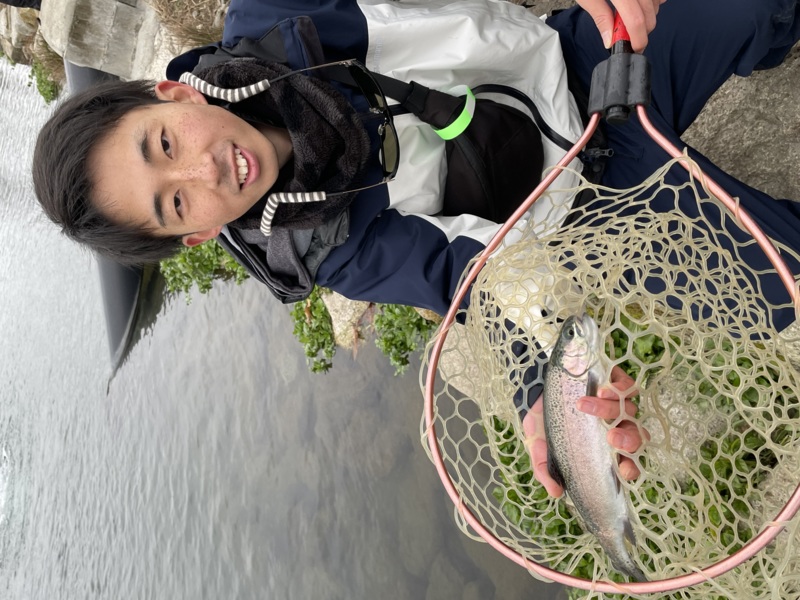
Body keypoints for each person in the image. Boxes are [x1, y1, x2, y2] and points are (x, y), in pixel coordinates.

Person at [32, 0, 800, 497]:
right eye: (176, 203)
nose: (204, 171)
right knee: (786, 281)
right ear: (195, 235)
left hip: (580, 57)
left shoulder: (277, 14)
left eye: (163, 143)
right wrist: (542, 394)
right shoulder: (327, 250)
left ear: (172, 94)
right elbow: (469, 281)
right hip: (596, 218)